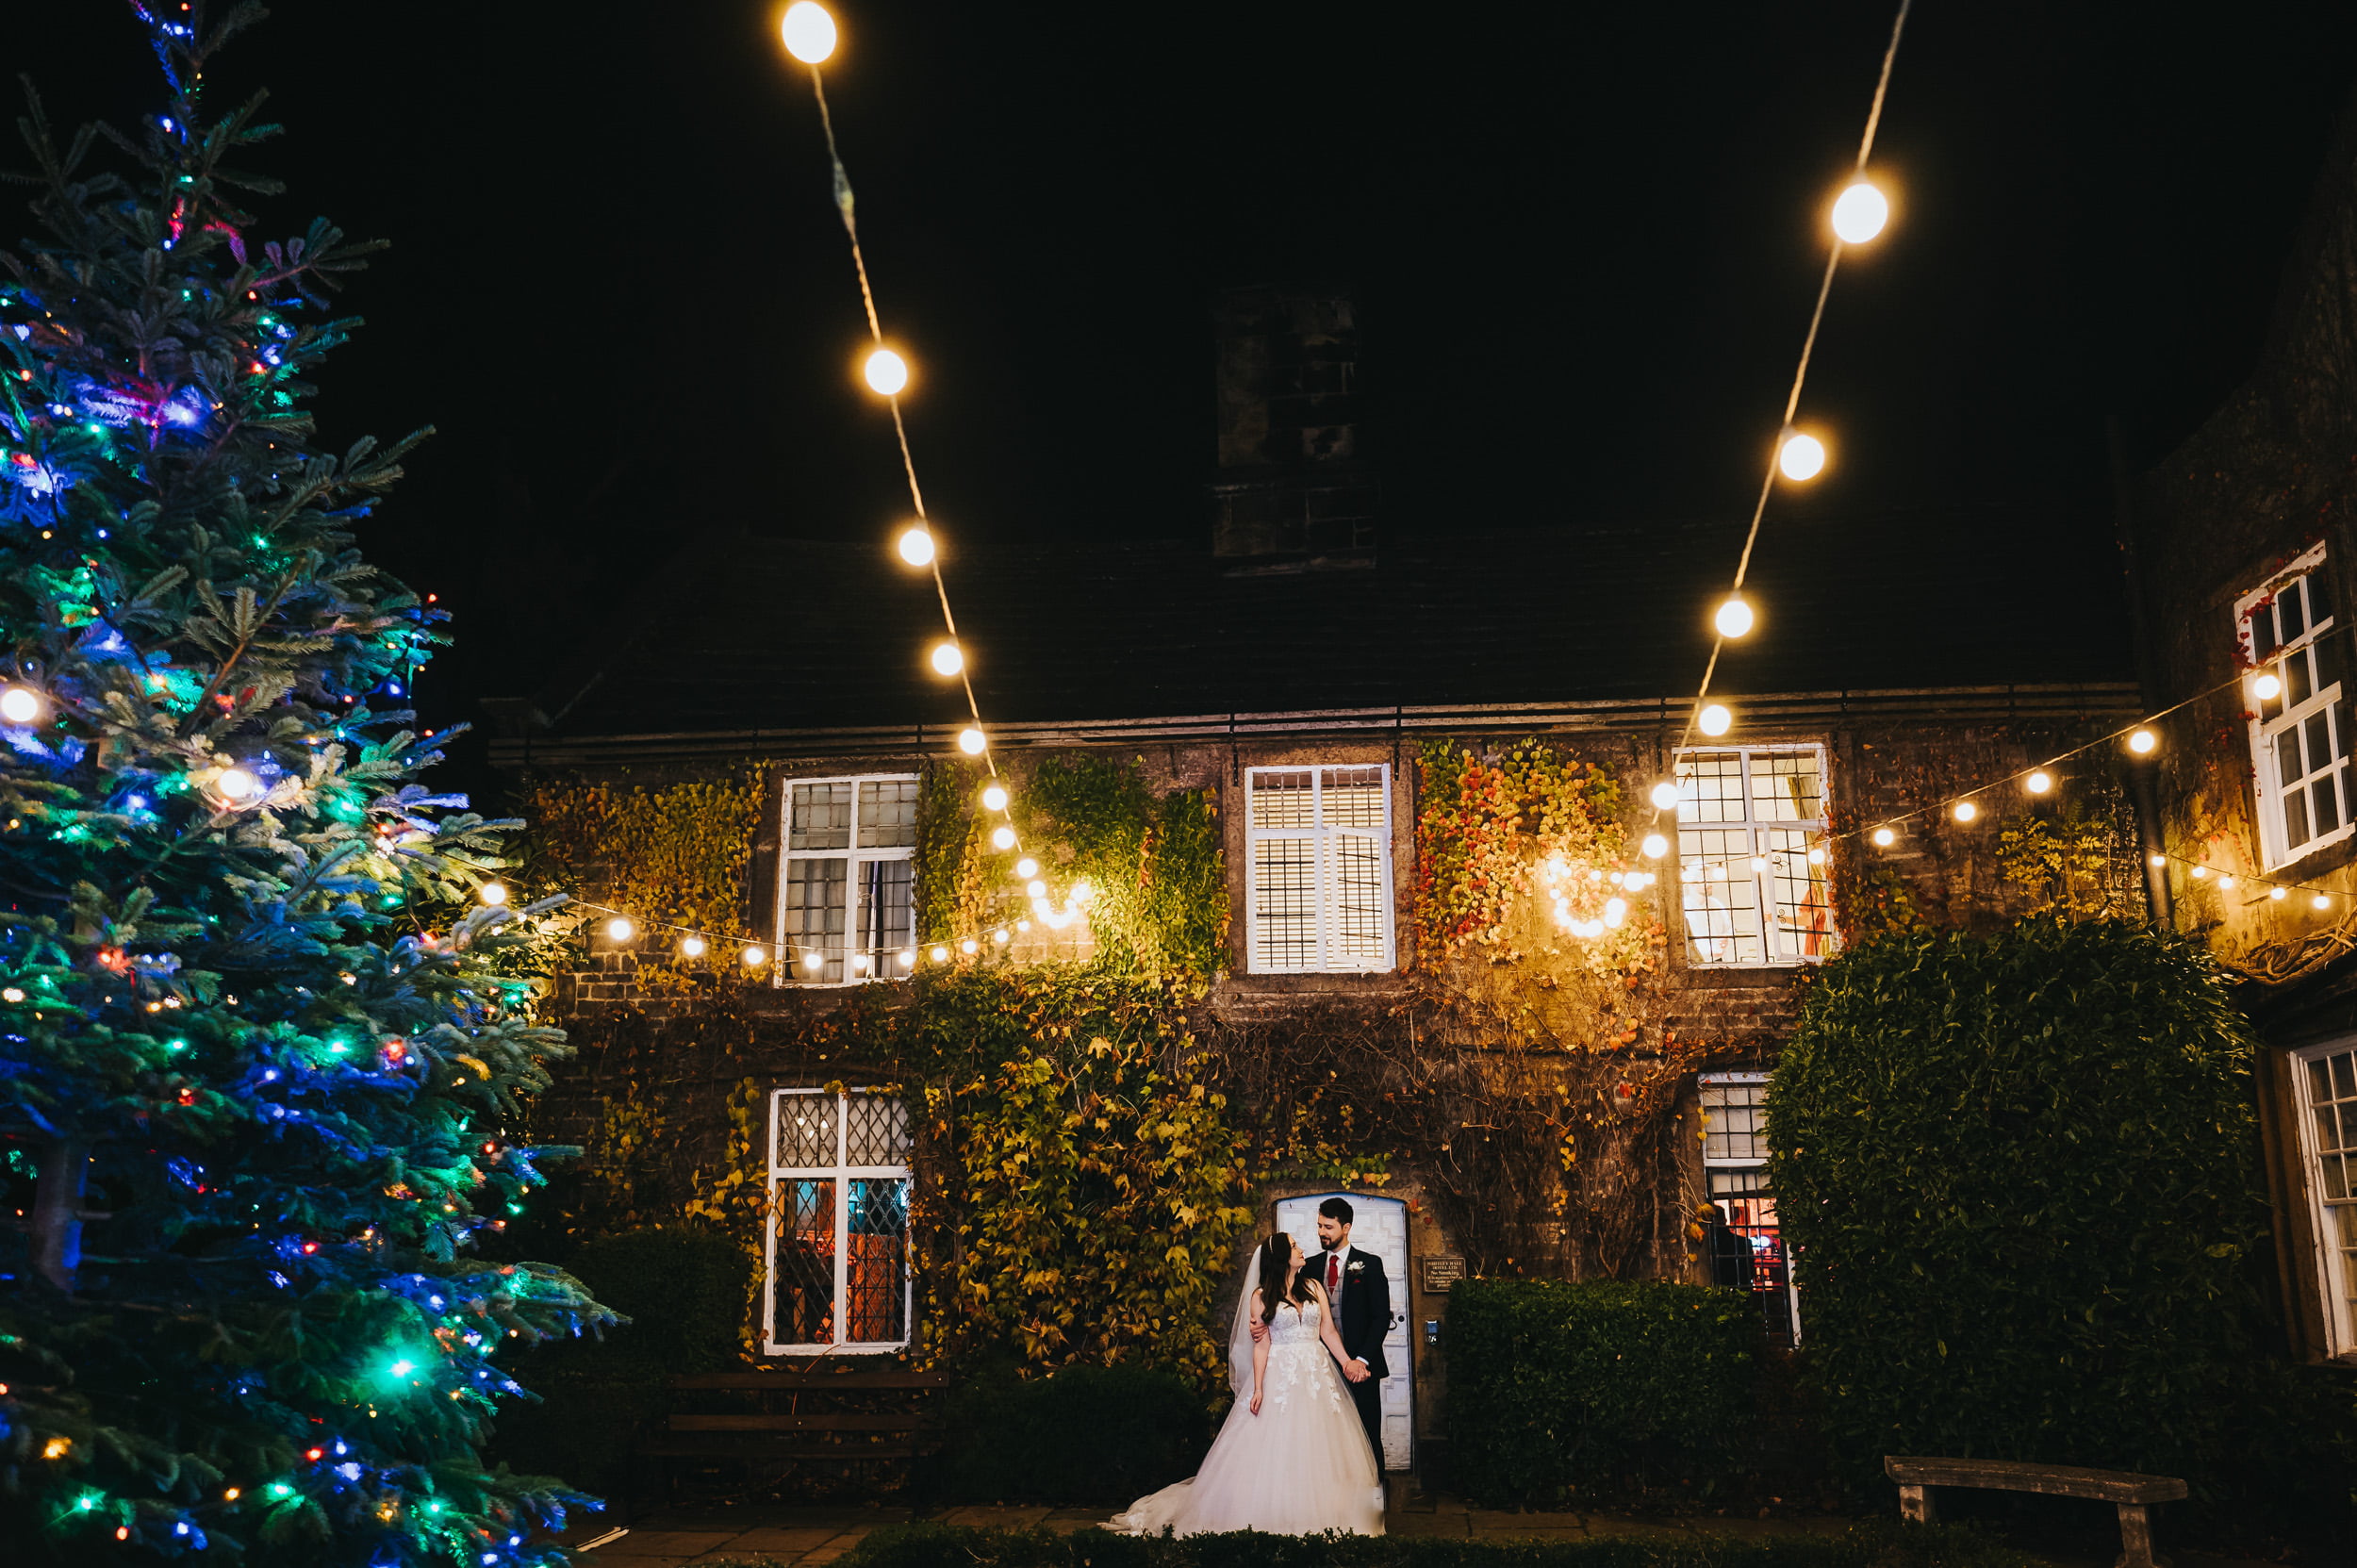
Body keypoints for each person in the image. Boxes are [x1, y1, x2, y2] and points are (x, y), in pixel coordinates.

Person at [1106, 1232, 1385, 1537]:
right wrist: (1260, 1388)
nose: (1302, 1249)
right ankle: (1278, 1518)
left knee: (1323, 1446)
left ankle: (1328, 1517)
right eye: (1294, 1246)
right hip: (1282, 1378)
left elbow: (1328, 1332)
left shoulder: (1314, 1287)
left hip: (1318, 1376)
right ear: (1281, 1258)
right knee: (1279, 1448)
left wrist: (1347, 1363)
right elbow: (1262, 1345)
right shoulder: (1261, 1297)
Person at [1283, 1197, 1392, 1467]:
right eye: (1319, 1226)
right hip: (1320, 1368)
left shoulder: (1370, 1264)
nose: (1321, 1232)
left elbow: (1380, 1318)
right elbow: (1286, 1301)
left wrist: (1361, 1360)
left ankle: (1374, 1495)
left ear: (1346, 1228)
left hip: (1362, 1368)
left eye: (1329, 1227)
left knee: (1367, 1435)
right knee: (1326, 1436)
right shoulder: (1309, 1266)